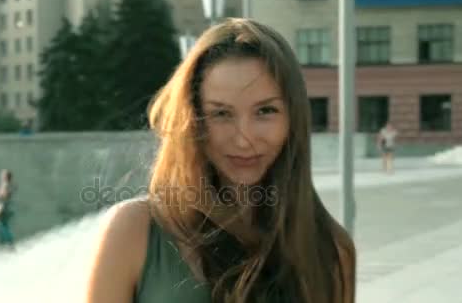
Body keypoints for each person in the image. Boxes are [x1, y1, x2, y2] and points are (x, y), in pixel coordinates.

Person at [82, 19, 356, 303]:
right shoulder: (134, 231)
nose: (243, 138)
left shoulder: (331, 249)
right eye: (221, 114)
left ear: (293, 118)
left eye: (265, 111)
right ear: (193, 121)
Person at [0, 169, 16, 250]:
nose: (1, 175)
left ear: (5, 177)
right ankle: (5, 243)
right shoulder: (9, 184)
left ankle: (9, 243)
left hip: (4, 206)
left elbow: (3, 196)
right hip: (6, 205)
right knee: (2, 226)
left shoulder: (6, 184)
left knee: (3, 226)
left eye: (3, 174)